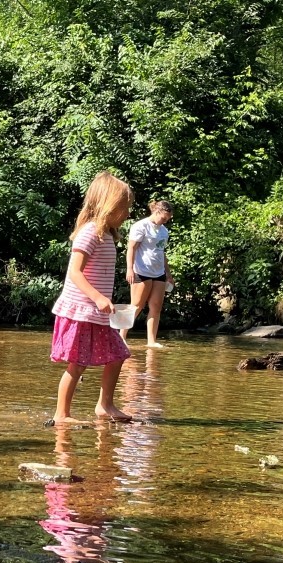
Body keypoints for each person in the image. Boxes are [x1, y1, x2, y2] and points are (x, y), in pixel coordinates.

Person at [50, 171, 133, 423]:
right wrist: (97, 297)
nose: (127, 214)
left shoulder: (107, 234)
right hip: (80, 310)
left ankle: (104, 406)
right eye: (123, 208)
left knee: (119, 354)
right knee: (77, 364)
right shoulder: (89, 233)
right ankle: (61, 415)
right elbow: (74, 272)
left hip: (96, 313)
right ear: (108, 205)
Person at [119, 200, 174, 348]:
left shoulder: (164, 231)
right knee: (137, 306)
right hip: (141, 271)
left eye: (167, 219)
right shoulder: (140, 226)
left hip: (159, 272)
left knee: (156, 306)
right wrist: (129, 269)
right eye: (164, 218)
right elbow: (131, 248)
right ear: (156, 212)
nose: (165, 221)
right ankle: (121, 337)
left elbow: (161, 252)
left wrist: (168, 273)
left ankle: (151, 341)